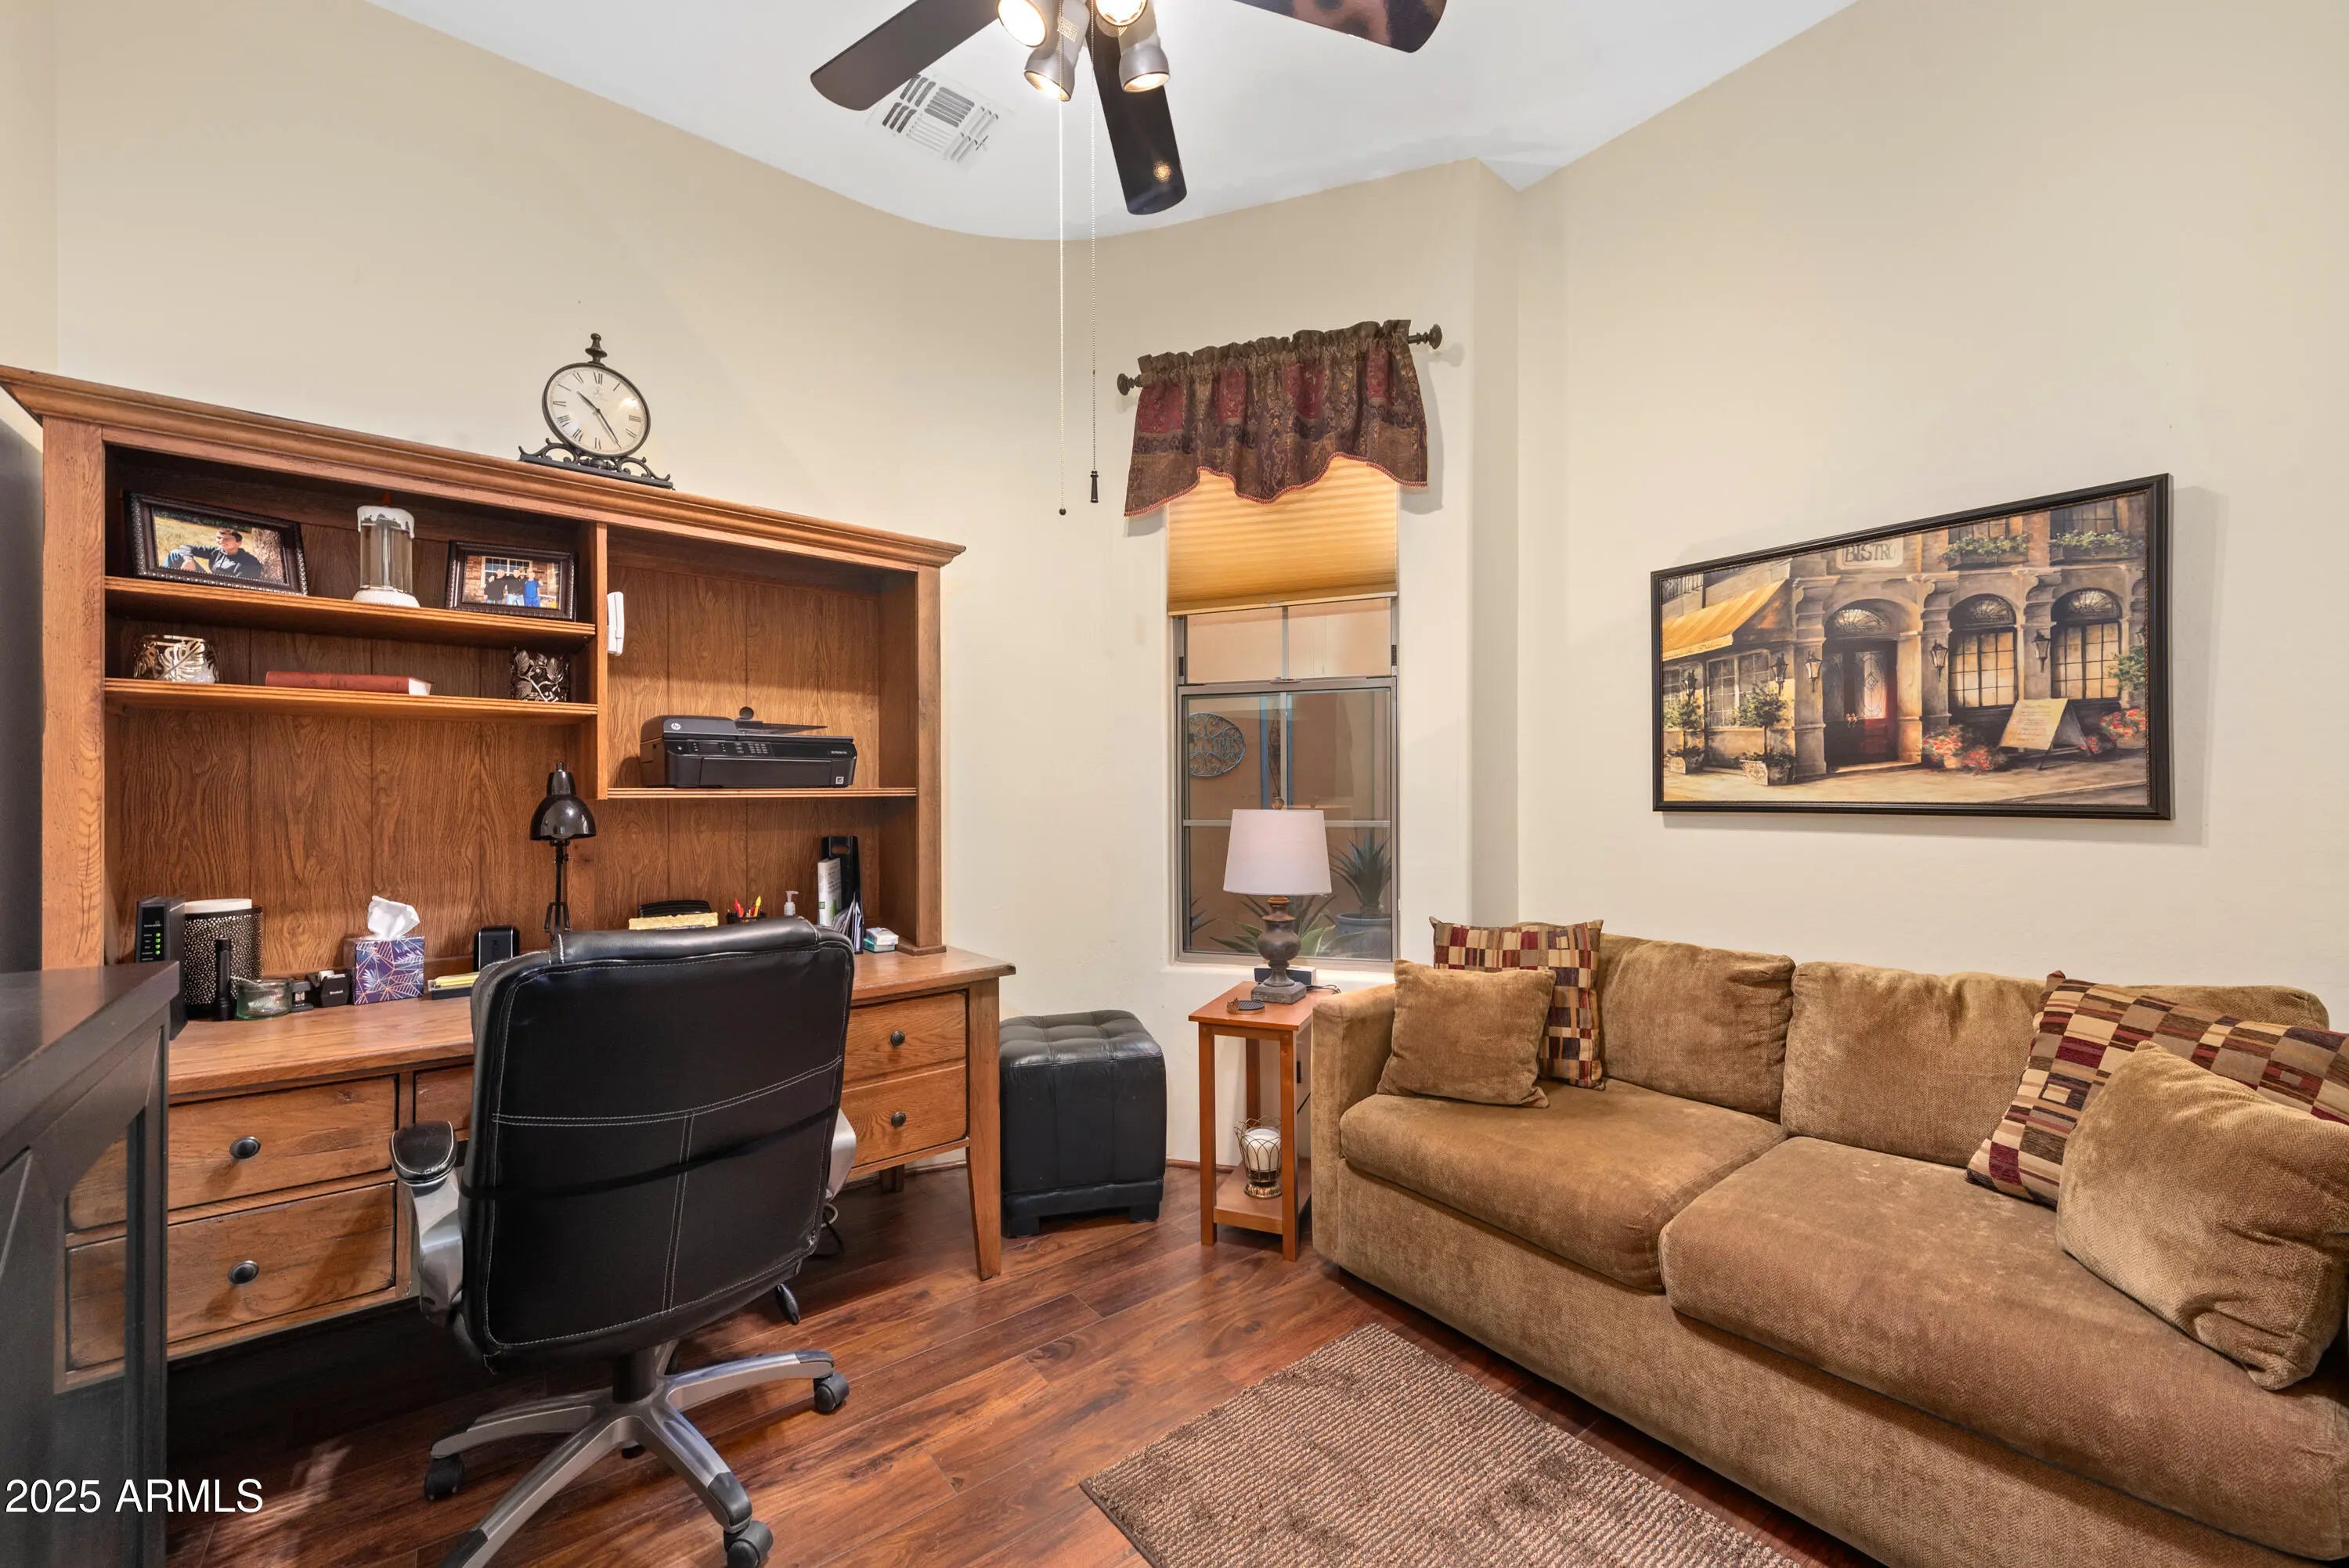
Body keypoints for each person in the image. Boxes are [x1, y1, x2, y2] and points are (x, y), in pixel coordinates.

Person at [166, 527, 272, 581]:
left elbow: (239, 589)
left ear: (239, 543)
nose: (221, 542)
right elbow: (185, 547)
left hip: (222, 590)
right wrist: (188, 560)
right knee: (175, 554)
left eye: (227, 539)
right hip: (209, 581)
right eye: (219, 538)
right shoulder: (217, 551)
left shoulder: (249, 563)